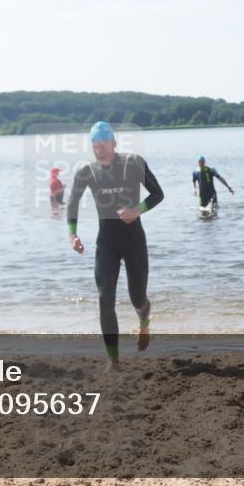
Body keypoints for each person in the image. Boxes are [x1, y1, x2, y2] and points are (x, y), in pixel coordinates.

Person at [67, 121, 163, 371]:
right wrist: (73, 235)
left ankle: (144, 321)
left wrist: (137, 209)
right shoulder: (86, 171)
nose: (99, 150)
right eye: (95, 145)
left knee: (137, 297)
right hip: (106, 242)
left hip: (134, 242)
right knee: (104, 299)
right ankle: (114, 360)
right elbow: (72, 203)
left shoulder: (133, 163)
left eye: (104, 144)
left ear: (114, 143)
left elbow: (157, 194)